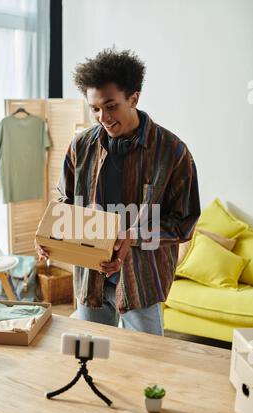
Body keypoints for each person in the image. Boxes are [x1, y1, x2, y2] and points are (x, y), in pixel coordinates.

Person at [36, 48, 200, 335]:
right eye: (95, 108)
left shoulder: (172, 152)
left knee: (145, 367)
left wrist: (133, 235)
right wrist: (51, 233)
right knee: (89, 363)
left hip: (141, 281)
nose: (103, 117)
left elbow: (184, 222)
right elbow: (64, 201)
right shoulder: (80, 147)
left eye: (111, 106)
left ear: (133, 98)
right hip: (90, 279)